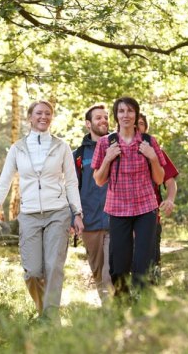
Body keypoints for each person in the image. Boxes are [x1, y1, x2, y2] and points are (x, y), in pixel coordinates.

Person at [0, 100, 85, 319]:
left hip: (57, 213)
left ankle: (51, 318)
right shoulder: (18, 148)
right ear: (29, 117)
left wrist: (76, 212)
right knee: (32, 272)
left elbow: (71, 182)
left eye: (48, 113)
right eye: (39, 113)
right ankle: (43, 312)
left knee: (53, 268)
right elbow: (4, 182)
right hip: (29, 215)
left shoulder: (61, 147)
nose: (43, 117)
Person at [92, 96, 166, 296]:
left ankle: (142, 310)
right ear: (116, 115)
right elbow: (99, 180)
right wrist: (108, 159)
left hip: (146, 209)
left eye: (130, 111)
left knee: (143, 264)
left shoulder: (149, 142)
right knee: (119, 267)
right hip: (118, 209)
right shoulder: (105, 143)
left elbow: (159, 179)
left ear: (136, 114)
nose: (126, 115)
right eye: (121, 111)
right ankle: (122, 305)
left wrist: (152, 158)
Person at [73, 104, 113, 303]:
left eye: (105, 117)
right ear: (88, 124)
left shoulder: (119, 146)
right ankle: (111, 312)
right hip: (90, 223)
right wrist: (75, 216)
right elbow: (71, 189)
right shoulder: (78, 155)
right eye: (98, 118)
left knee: (110, 272)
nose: (104, 120)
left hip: (117, 220)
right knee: (98, 273)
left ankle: (114, 315)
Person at [138, 114, 179, 283]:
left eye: (141, 124)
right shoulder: (117, 151)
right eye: (135, 123)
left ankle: (153, 298)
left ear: (146, 128)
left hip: (151, 215)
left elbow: (170, 182)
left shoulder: (156, 152)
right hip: (123, 215)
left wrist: (170, 199)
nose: (137, 127)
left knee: (152, 262)